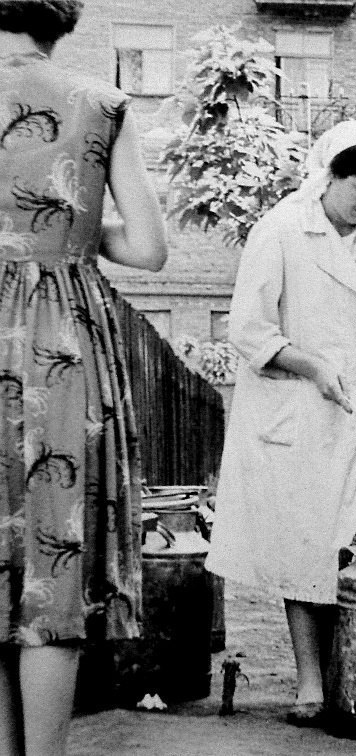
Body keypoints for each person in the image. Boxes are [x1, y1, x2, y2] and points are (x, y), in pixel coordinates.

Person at [205, 121, 356, 726]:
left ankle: (351, 674)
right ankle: (312, 682)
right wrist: (310, 365)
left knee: (350, 543)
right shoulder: (283, 228)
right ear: (329, 176)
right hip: (294, 408)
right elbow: (249, 328)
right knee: (303, 546)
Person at [0, 2, 169, 753]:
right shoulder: (102, 102)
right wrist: (65, 221)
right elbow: (149, 249)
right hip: (61, 343)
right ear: (59, 20)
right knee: (53, 551)